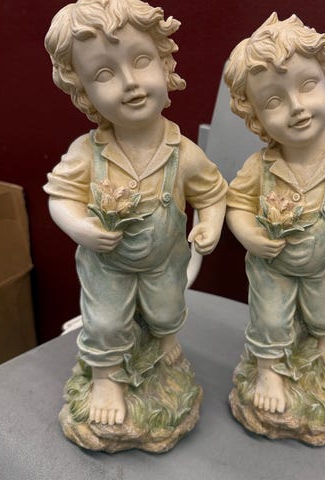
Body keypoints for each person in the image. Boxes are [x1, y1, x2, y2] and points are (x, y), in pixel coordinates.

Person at [44, 0, 227, 426]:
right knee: (106, 323)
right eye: (104, 74)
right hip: (107, 266)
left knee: (167, 312)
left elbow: (213, 193)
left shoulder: (184, 153)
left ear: (165, 64)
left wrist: (210, 225)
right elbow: (60, 198)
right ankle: (106, 377)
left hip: (165, 263)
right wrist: (81, 228)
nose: (130, 83)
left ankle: (163, 341)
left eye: (141, 60)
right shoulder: (87, 153)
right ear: (83, 91)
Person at [224, 13, 325, 415]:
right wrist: (248, 235)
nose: (296, 108)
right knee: (269, 319)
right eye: (273, 101)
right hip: (272, 268)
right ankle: (268, 370)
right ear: (256, 118)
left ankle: (324, 340)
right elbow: (237, 204)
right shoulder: (259, 168)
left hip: (324, 266)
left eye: (307, 85)